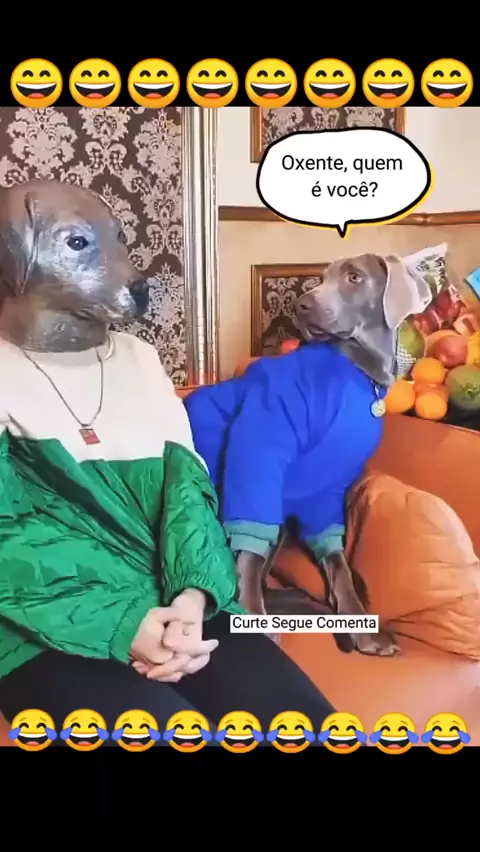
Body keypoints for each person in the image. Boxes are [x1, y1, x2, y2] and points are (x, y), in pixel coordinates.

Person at [0, 179, 334, 738]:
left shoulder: (139, 358)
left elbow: (188, 491)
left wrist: (192, 597)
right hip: (36, 620)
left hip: (172, 597)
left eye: (113, 239)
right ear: (16, 255)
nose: (125, 270)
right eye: (78, 243)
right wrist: (124, 621)